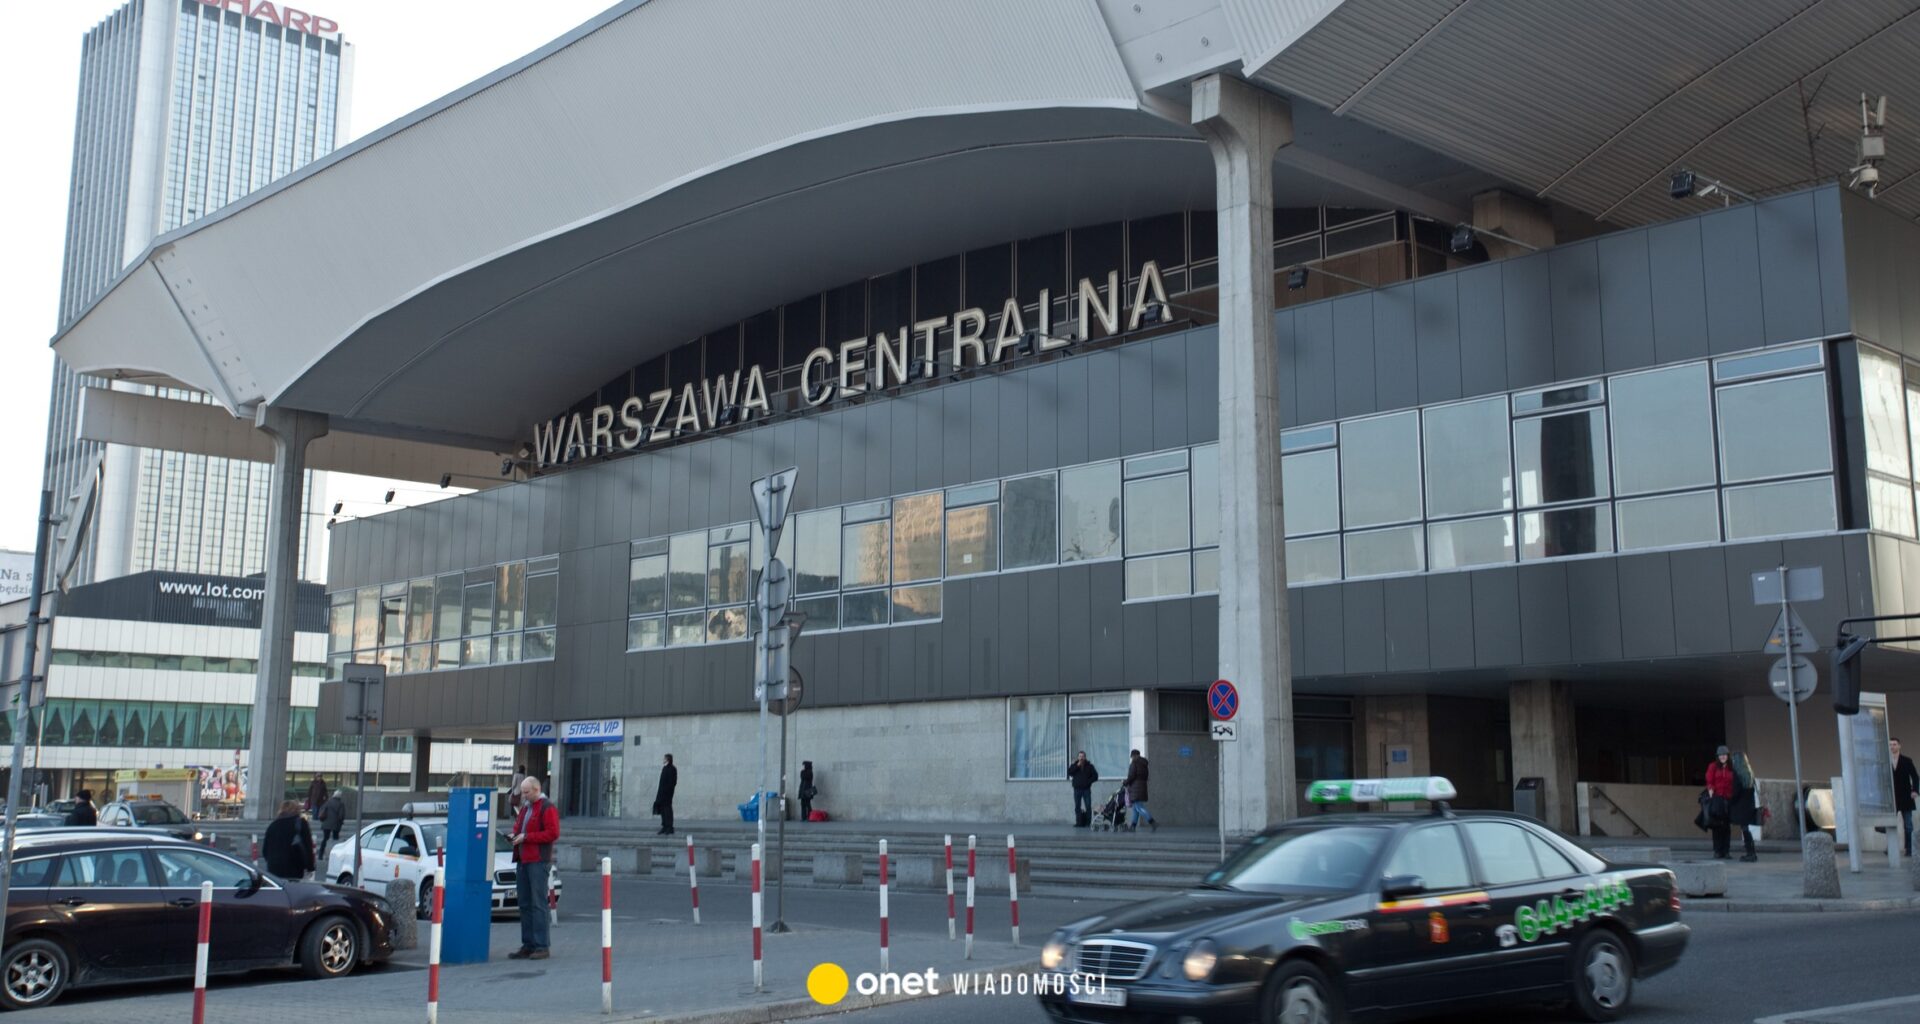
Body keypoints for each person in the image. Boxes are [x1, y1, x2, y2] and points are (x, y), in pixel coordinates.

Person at [509, 776, 560, 960]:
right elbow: (518, 826)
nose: (523, 795)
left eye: (526, 792)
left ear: (536, 790)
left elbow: (553, 833)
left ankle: (541, 945)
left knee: (538, 903)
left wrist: (526, 837)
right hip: (523, 859)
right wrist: (514, 835)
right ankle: (528, 944)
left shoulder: (547, 807)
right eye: (522, 792)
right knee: (524, 903)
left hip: (538, 860)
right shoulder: (526, 808)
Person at [263, 800, 316, 881]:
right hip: (294, 865)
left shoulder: (273, 825)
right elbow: (308, 845)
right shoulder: (300, 823)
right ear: (296, 809)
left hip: (274, 867)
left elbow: (265, 850)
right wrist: (310, 867)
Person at [1704, 745, 1736, 859]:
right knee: (1717, 826)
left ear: (1728, 756)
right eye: (1720, 755)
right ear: (1718, 756)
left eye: (1724, 755)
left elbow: (1735, 782)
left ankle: (1726, 851)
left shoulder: (1732, 768)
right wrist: (1711, 789)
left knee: (1726, 826)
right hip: (1717, 799)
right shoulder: (1713, 766)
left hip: (1728, 799)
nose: (1722, 757)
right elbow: (1709, 780)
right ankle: (1717, 850)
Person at [1729, 750, 1761, 862]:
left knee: (1745, 830)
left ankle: (1750, 853)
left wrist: (1730, 801)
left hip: (1741, 807)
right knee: (1746, 829)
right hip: (1749, 806)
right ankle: (1751, 852)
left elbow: (1736, 792)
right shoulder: (1749, 773)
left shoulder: (1737, 774)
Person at [1894, 737, 1919, 858]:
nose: (1892, 746)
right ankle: (1891, 847)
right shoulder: (1885, 761)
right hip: (1892, 797)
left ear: (1899, 746)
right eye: (1890, 745)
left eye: (1894, 744)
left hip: (1905, 796)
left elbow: (1915, 776)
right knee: (1889, 823)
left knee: (1908, 824)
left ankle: (1909, 848)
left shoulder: (1906, 761)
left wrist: (1915, 790)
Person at [1124, 749, 1156, 833]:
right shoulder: (1144, 764)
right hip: (1142, 787)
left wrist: (1125, 782)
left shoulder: (1134, 764)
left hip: (1135, 788)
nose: (1131, 758)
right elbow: (1145, 777)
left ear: (1134, 756)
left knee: (1139, 807)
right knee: (1135, 808)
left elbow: (1131, 776)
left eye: (1132, 756)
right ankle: (1133, 826)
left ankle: (1152, 822)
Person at [1067, 751, 1099, 827]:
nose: (1081, 758)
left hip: (1086, 789)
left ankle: (1088, 823)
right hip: (1077, 789)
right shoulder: (1074, 765)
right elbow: (1069, 773)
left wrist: (1088, 782)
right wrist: (1077, 766)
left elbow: (1095, 776)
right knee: (1077, 806)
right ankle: (1078, 823)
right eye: (1080, 756)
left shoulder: (1090, 766)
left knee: (1088, 806)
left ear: (1085, 757)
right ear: (1078, 757)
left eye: (1082, 756)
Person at [318, 789, 346, 860]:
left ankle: (320, 855)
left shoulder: (327, 802)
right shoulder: (341, 804)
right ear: (340, 796)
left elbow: (322, 810)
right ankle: (334, 855)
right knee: (335, 839)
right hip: (335, 824)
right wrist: (341, 821)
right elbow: (341, 815)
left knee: (325, 838)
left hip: (326, 823)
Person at [653, 754, 677, 835]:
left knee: (668, 811)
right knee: (662, 810)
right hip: (661, 794)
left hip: (667, 794)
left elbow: (672, 783)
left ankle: (669, 827)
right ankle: (664, 826)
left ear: (668, 759)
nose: (663, 759)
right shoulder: (664, 768)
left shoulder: (672, 769)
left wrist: (668, 792)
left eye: (664, 758)